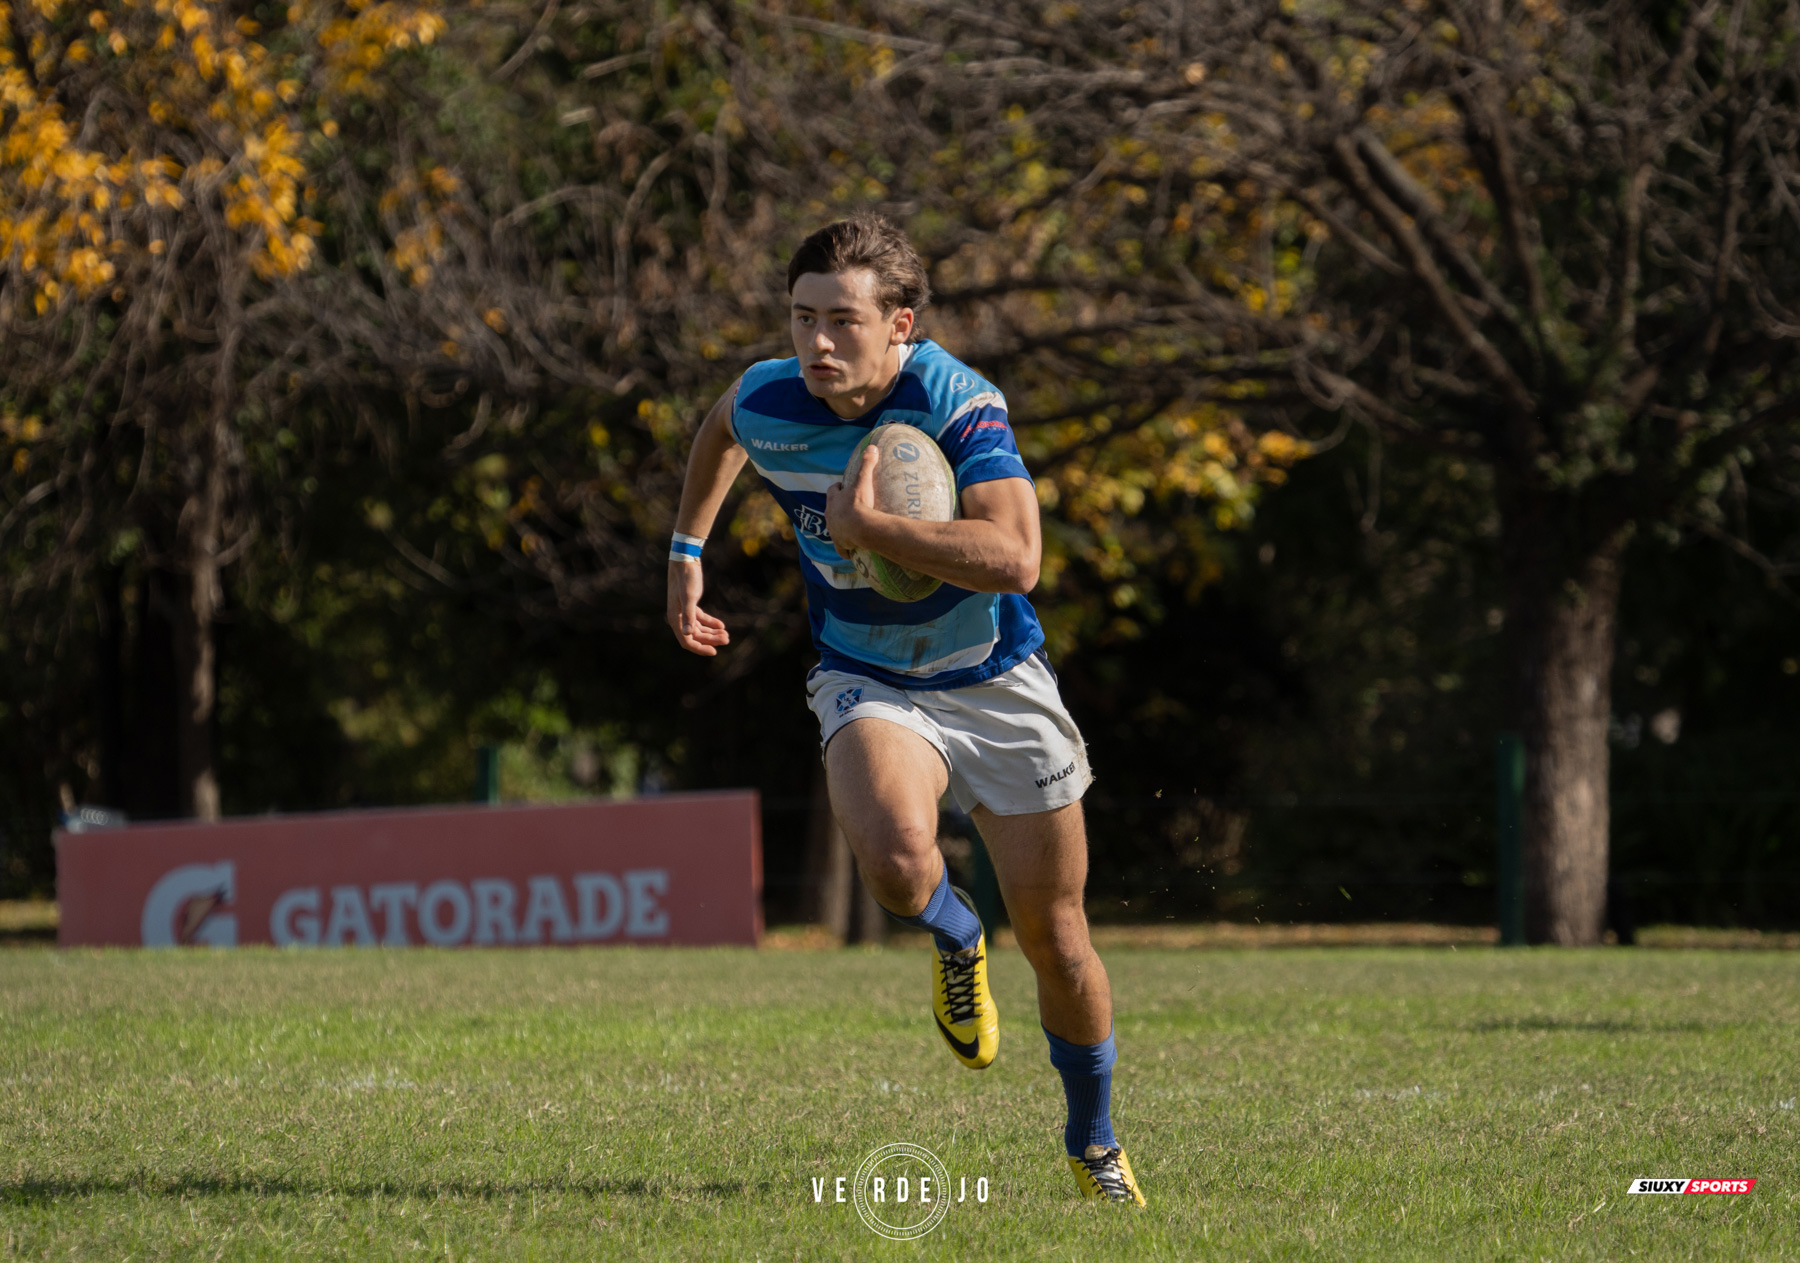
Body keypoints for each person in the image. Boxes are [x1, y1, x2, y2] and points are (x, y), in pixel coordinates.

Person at [665, 215, 1146, 1205]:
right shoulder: (774, 398)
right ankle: (950, 930)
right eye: (801, 319)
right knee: (891, 859)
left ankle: (1093, 1144)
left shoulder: (961, 405)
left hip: (995, 678)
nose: (817, 344)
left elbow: (1018, 558)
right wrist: (686, 549)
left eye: (842, 321)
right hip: (869, 677)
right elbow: (721, 424)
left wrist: (869, 528)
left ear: (902, 326)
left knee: (1057, 936)